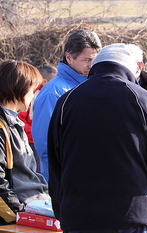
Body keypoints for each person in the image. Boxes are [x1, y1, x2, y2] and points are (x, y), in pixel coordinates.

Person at [47, 43, 147, 233]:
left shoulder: (66, 102)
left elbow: (55, 164)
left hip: (79, 218)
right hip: (131, 218)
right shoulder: (145, 101)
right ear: (136, 68)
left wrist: (63, 211)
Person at [31, 29, 102, 182]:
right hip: (65, 182)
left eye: (94, 60)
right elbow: (45, 147)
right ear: (69, 58)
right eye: (86, 60)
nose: (92, 65)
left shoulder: (92, 86)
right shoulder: (53, 93)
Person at [0, 60, 50, 233]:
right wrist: (20, 214)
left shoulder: (13, 122)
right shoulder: (2, 126)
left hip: (26, 221)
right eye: (32, 88)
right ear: (18, 87)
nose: (34, 94)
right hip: (13, 229)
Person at [18, 64, 57, 173]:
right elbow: (20, 119)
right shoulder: (30, 94)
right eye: (53, 81)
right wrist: (34, 133)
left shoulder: (52, 95)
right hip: (31, 141)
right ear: (44, 81)